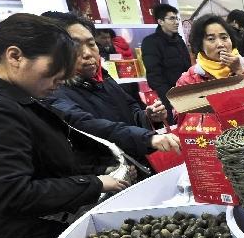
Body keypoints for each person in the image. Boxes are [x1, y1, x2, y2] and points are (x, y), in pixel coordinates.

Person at [0, 14, 128, 238]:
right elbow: (11, 193)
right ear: (15, 56)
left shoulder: (3, 96)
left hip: (43, 233)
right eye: (53, 74)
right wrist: (93, 183)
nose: (56, 84)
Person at [42, 12, 181, 164]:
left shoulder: (103, 78)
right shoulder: (52, 91)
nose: (88, 53)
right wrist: (147, 138)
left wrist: (148, 116)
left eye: (91, 43)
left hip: (137, 164)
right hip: (108, 177)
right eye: (74, 45)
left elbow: (130, 108)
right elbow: (90, 125)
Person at [175, 14, 244, 87]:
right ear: (200, 45)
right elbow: (182, 112)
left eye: (224, 37)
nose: (220, 44)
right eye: (211, 39)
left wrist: (240, 71)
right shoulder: (189, 80)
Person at [141, 4, 191, 123]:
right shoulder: (150, 42)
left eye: (177, 18)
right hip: (167, 96)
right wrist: (169, 96)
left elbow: (187, 66)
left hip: (186, 92)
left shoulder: (179, 40)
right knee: (175, 125)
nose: (176, 22)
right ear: (160, 21)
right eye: (171, 19)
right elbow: (154, 75)